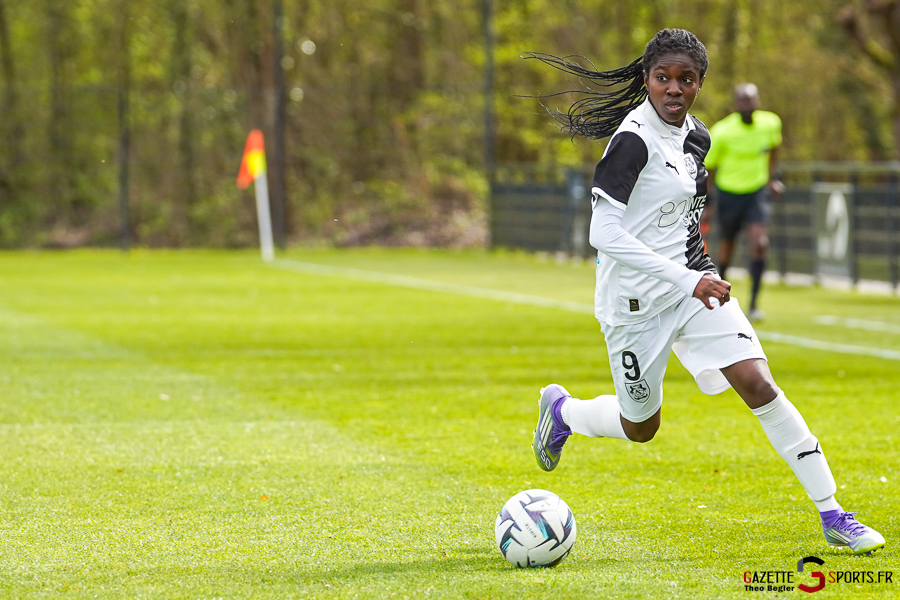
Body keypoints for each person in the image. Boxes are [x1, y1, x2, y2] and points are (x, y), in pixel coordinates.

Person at [524, 29, 884, 555]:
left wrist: (701, 274)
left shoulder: (697, 136)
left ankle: (834, 514)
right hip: (633, 307)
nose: (673, 88)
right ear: (647, 79)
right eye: (663, 77)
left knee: (758, 383)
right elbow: (602, 234)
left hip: (692, 293)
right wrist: (687, 278)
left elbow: (687, 223)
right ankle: (564, 414)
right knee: (640, 426)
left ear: (699, 84)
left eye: (685, 79)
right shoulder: (632, 140)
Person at [704, 84, 784, 322]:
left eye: (751, 100)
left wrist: (772, 179)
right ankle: (720, 297)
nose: (747, 105)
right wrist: (707, 203)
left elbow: (774, 149)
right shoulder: (722, 131)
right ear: (736, 104)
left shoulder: (770, 123)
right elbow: (708, 167)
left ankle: (753, 304)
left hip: (756, 194)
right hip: (729, 194)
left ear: (758, 101)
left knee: (760, 243)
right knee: (727, 249)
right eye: (742, 101)